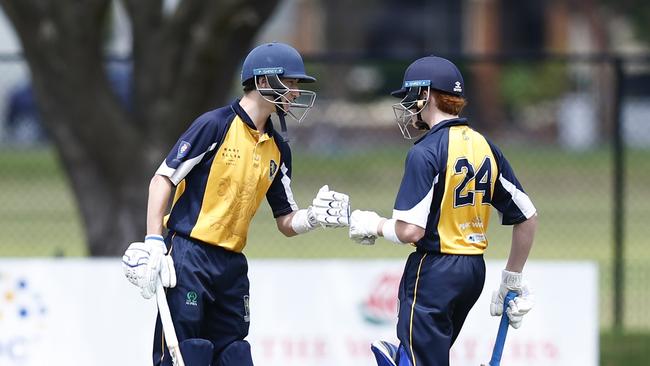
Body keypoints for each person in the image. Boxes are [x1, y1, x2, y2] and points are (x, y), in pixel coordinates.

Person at [121, 42, 350, 366]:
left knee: (234, 353)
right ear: (264, 82)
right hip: (189, 255)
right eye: (292, 82)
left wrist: (313, 217)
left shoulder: (278, 148)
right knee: (187, 352)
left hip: (231, 265)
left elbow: (286, 220)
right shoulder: (214, 126)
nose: (296, 92)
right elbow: (163, 178)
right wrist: (154, 240)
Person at [348, 56, 538, 366]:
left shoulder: (425, 151)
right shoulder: (484, 145)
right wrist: (511, 279)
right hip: (472, 273)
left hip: (433, 272)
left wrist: (373, 224)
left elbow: (411, 230)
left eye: (412, 96)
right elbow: (527, 217)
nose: (409, 105)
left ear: (427, 95)